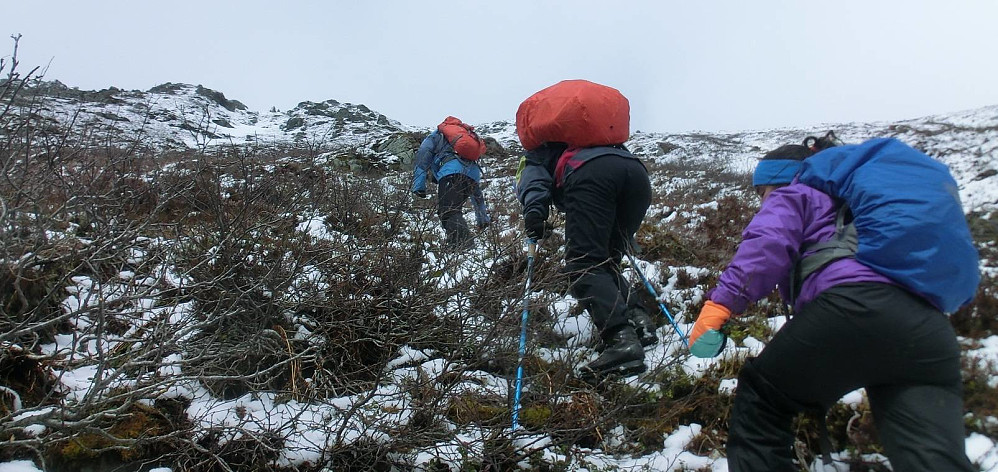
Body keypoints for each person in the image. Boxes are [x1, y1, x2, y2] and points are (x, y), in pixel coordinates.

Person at [689, 139, 976, 471]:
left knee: (762, 400)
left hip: (852, 309)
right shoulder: (862, 211)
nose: (762, 202)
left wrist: (720, 305)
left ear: (781, 180)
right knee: (930, 455)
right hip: (928, 334)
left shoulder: (796, 191)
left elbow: (767, 246)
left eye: (762, 192)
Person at [516, 81, 659, 381]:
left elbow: (535, 182)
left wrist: (534, 214)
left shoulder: (540, 150)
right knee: (606, 260)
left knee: (583, 265)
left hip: (591, 177)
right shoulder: (605, 140)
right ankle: (639, 321)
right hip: (636, 174)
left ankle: (622, 341)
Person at [411, 118, 490, 250]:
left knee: (448, 211)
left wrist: (418, 186)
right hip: (473, 174)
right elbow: (477, 197)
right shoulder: (467, 136)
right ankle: (456, 243)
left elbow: (423, 155)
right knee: (452, 209)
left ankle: (463, 246)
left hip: (451, 172)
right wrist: (482, 219)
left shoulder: (437, 135)